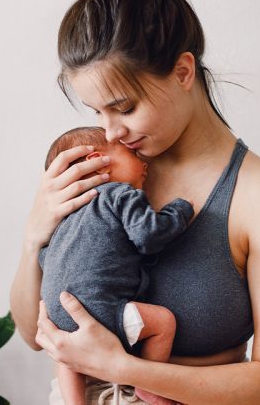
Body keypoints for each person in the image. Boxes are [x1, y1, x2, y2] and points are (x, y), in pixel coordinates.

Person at [9, 0, 260, 404]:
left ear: (183, 71)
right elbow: (35, 334)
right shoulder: (103, 170)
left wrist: (123, 367)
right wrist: (33, 237)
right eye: (96, 111)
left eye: (124, 107)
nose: (110, 131)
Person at [39, 126, 195, 405]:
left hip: (55, 313)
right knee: (163, 322)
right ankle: (149, 387)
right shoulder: (121, 193)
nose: (144, 162)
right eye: (133, 153)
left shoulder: (64, 218)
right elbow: (149, 236)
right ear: (98, 162)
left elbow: (45, 257)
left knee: (66, 356)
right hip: (100, 310)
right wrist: (179, 211)